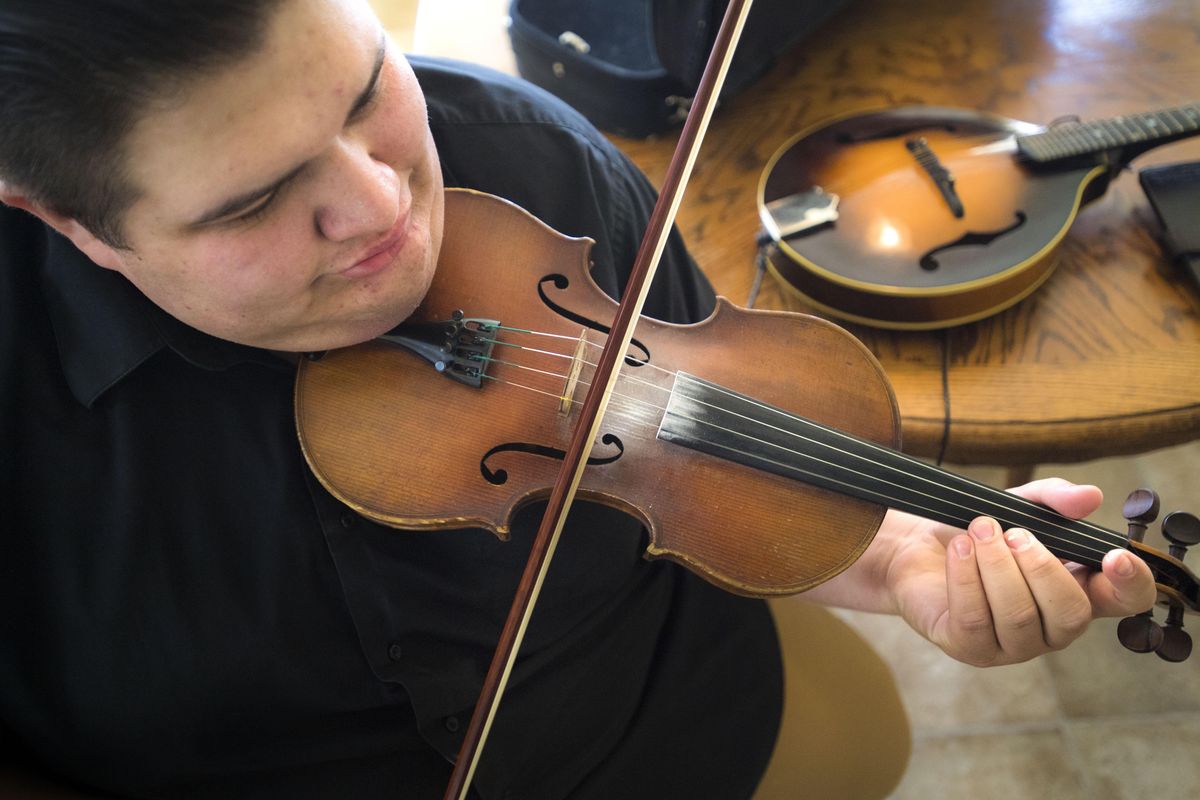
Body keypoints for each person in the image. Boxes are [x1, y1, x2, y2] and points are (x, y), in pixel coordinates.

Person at [0, 1, 1157, 798]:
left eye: (362, 94)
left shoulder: (535, 169)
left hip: (680, 731)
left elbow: (692, 460)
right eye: (255, 200)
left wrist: (903, 557)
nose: (385, 204)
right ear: (66, 222)